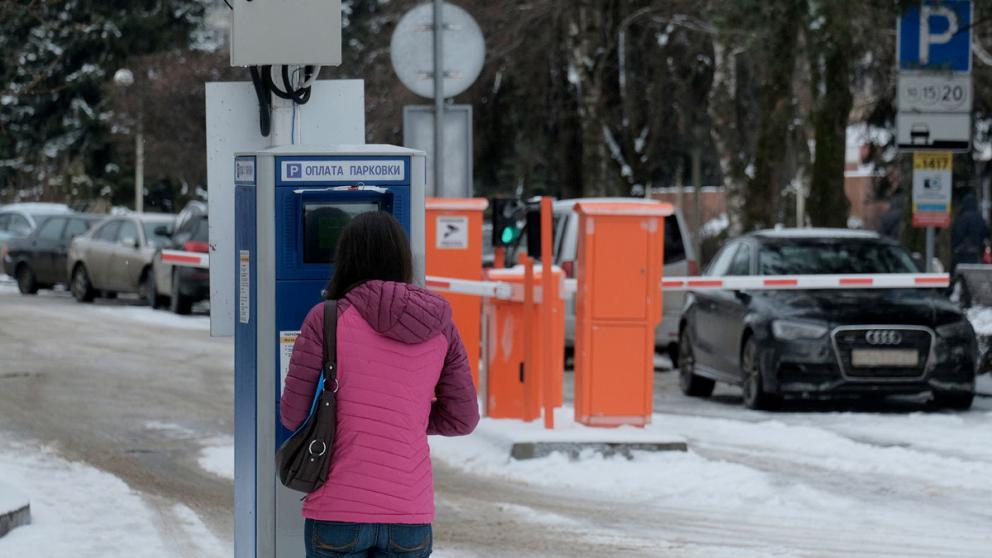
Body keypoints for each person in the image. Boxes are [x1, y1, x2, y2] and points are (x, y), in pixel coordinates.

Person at [280, 211, 480, 558]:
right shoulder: (440, 326)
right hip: (409, 516)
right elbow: (463, 419)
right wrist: (408, 414)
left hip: (338, 510)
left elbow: (292, 415)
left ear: (345, 259)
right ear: (404, 260)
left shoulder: (326, 318)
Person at [951, 192, 988, 271]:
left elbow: (956, 236)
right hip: (977, 255)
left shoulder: (961, 219)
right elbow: (986, 234)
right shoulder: (980, 219)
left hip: (962, 255)